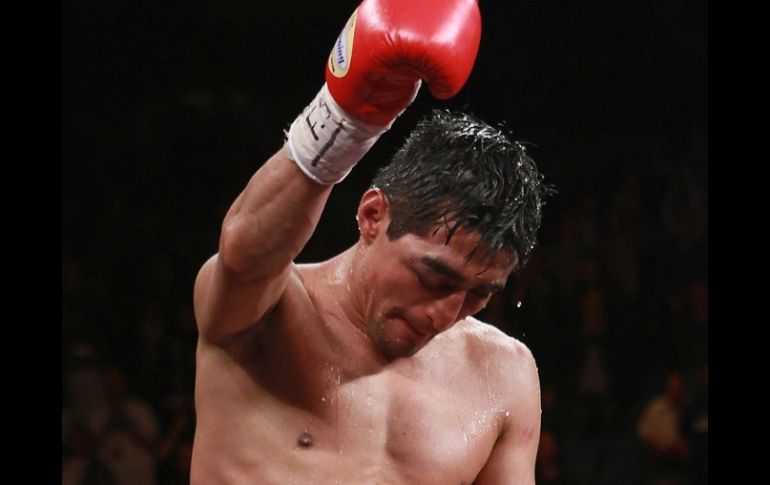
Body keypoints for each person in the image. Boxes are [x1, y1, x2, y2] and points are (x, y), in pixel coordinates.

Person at [191, 0, 554, 482]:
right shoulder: (267, 312)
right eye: (433, 275)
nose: (444, 314)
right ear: (372, 215)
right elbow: (244, 254)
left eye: (477, 294)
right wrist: (346, 119)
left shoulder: (501, 372)